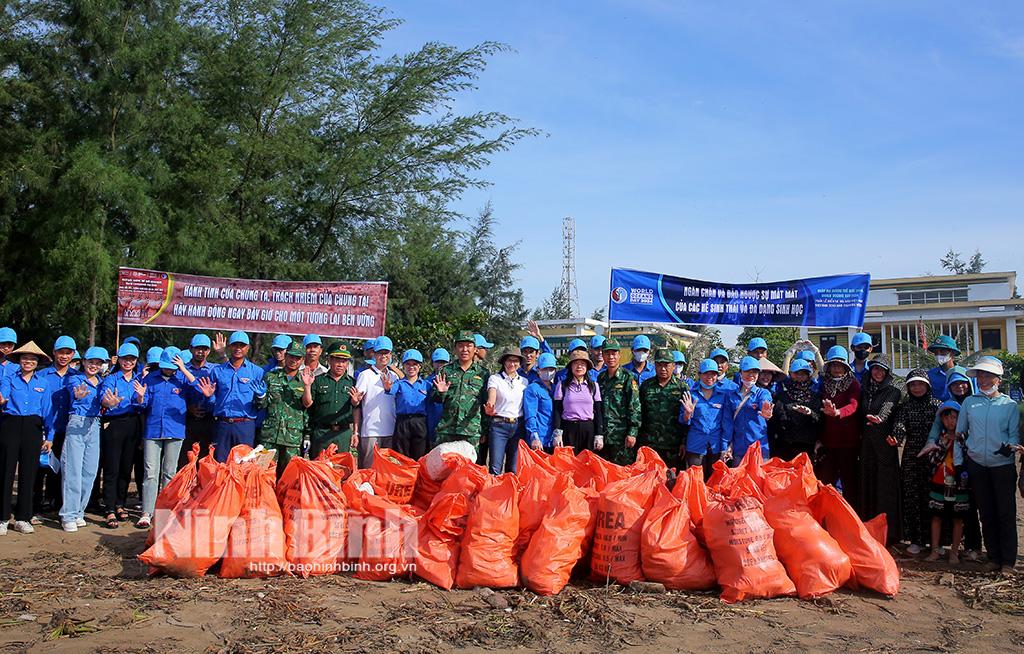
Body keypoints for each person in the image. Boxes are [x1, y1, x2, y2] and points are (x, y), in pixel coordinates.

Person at [955, 356, 1020, 574]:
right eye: (981, 375)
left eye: (988, 375)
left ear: (998, 379)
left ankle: (1008, 561)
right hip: (977, 465)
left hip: (1002, 466)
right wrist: (958, 461)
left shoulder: (1009, 406)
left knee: (1006, 513)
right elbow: (960, 434)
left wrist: (1010, 447)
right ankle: (992, 557)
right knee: (986, 513)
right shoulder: (969, 403)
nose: (983, 379)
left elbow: (1013, 435)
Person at [133, 350, 198, 529]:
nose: (168, 371)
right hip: (153, 431)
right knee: (150, 472)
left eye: (172, 368)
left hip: (175, 430)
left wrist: (183, 369)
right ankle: (147, 512)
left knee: (169, 472)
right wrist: (140, 396)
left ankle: (166, 511)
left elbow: (199, 388)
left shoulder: (182, 380)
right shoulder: (151, 379)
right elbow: (141, 403)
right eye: (166, 367)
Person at [926, 365, 983, 558]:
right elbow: (934, 433)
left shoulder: (976, 403)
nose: (960, 387)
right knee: (941, 512)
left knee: (968, 510)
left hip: (969, 466)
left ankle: (971, 547)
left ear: (969, 384)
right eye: (954, 384)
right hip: (943, 475)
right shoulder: (945, 406)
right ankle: (941, 547)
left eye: (963, 383)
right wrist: (932, 444)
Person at [0, 342, 52, 535]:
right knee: (6, 472)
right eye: (24, 358)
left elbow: (48, 411)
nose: (28, 361)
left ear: (37, 362)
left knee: (29, 474)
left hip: (33, 427)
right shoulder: (9, 378)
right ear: (19, 360)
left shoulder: (43, 383)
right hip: (10, 424)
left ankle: (23, 517)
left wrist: (50, 436)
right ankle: (2, 518)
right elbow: (3, 396)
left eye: (32, 359)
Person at [197, 331, 267, 463]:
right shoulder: (218, 371)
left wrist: (261, 396)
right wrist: (210, 397)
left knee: (244, 464)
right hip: (222, 424)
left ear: (248, 348)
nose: (238, 348)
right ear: (229, 347)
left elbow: (262, 405)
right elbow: (211, 404)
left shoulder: (257, 372)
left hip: (245, 425)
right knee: (221, 464)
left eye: (242, 345)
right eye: (235, 345)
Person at [59, 346, 108, 532]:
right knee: (73, 470)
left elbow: (106, 401)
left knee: (90, 472)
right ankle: (68, 514)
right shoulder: (75, 379)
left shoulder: (102, 382)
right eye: (91, 362)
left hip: (95, 424)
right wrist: (77, 396)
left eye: (98, 363)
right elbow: (74, 392)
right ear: (84, 362)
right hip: (76, 423)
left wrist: (110, 403)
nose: (94, 365)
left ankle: (79, 511)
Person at [858, 355, 903, 545]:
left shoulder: (893, 391)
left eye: (882, 370)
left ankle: (889, 535)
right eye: (875, 369)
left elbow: (888, 408)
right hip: (866, 446)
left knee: (886, 489)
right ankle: (867, 531)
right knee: (867, 486)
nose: (878, 373)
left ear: (887, 373)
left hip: (885, 446)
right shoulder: (865, 390)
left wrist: (880, 418)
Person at [97, 343, 143, 528]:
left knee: (126, 466)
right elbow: (104, 398)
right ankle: (109, 508)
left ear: (136, 361)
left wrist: (140, 398)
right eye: (125, 358)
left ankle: (120, 503)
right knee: (112, 466)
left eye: (132, 359)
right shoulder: (111, 379)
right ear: (119, 359)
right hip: (114, 424)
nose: (128, 362)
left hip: (133, 423)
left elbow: (143, 402)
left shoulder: (139, 379)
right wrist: (109, 402)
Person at [894, 368, 940, 553]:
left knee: (935, 498)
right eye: (913, 384)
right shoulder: (905, 407)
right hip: (912, 457)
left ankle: (936, 542)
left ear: (927, 385)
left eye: (920, 384)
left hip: (935, 458)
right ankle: (916, 539)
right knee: (913, 498)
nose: (917, 388)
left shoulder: (938, 406)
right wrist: (896, 437)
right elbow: (899, 425)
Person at [34, 335, 78, 515]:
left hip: (67, 430)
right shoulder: (42, 375)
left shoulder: (77, 377)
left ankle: (56, 503)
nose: (64, 356)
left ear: (73, 355)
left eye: (68, 353)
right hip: (44, 429)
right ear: (54, 352)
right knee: (39, 468)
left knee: (62, 469)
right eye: (61, 352)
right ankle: (35, 505)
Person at [921, 401, 969, 564]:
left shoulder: (966, 439)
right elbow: (932, 460)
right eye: (946, 417)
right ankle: (935, 550)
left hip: (959, 484)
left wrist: (959, 440)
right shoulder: (937, 439)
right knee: (936, 517)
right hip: (939, 481)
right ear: (941, 420)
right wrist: (943, 444)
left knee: (958, 519)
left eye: (954, 417)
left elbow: (970, 458)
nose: (950, 421)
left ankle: (954, 552)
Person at [257, 341, 311, 477]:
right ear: (285, 356)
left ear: (303, 360)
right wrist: (261, 396)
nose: (294, 361)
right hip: (270, 436)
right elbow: (261, 405)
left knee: (290, 476)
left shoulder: (305, 379)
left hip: (292, 438)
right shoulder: (271, 377)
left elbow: (307, 405)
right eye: (291, 356)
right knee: (264, 473)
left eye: (298, 358)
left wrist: (307, 386)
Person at [816, 346, 862, 505]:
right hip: (829, 442)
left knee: (849, 482)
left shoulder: (853, 384)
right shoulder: (824, 384)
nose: (836, 368)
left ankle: (851, 518)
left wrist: (838, 413)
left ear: (845, 366)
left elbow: (854, 405)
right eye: (833, 365)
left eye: (839, 365)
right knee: (826, 481)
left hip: (848, 442)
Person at [431, 330, 490, 449]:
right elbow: (435, 399)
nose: (464, 349)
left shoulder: (483, 373)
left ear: (475, 349)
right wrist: (441, 393)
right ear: (455, 349)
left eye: (468, 346)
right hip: (447, 430)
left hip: (471, 431)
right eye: (461, 346)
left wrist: (485, 429)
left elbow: (485, 403)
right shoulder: (445, 371)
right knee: (444, 466)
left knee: (470, 467)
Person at [305, 342, 359, 459]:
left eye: (344, 361)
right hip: (321, 432)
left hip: (343, 433)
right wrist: (307, 434)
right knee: (319, 469)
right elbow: (308, 407)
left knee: (341, 469)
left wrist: (355, 432)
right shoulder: (318, 380)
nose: (340, 364)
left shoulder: (353, 383)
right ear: (329, 360)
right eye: (337, 360)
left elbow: (356, 409)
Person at [679, 359, 731, 479]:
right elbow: (683, 421)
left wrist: (725, 447)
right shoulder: (690, 395)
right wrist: (688, 413)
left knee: (714, 482)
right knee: (695, 481)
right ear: (699, 374)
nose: (710, 377)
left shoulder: (723, 395)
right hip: (695, 445)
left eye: (713, 374)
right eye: (706, 373)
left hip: (715, 445)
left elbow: (726, 422)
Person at [353, 336, 399, 467]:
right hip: (371, 432)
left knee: (386, 471)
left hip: (391, 430)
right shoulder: (365, 375)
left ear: (390, 355)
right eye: (380, 353)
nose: (383, 356)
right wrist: (355, 401)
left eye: (386, 353)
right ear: (374, 354)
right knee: (368, 470)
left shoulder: (394, 376)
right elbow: (356, 402)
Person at [637, 349, 688, 468]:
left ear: (673, 366)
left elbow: (686, 417)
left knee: (672, 481)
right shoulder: (646, 386)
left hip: (673, 446)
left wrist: (684, 442)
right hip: (650, 444)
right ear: (655, 365)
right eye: (659, 365)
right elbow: (639, 413)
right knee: (650, 480)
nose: (663, 369)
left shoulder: (682, 387)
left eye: (667, 365)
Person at [597, 338, 641, 465]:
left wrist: (632, 433)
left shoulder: (628, 377)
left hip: (622, 437)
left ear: (619, 355)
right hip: (603, 437)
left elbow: (635, 407)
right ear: (603, 355)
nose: (611, 357)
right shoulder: (601, 378)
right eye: (607, 353)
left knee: (622, 474)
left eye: (614, 353)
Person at [484, 347, 528, 474]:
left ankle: (510, 493)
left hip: (518, 426)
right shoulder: (495, 378)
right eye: (509, 360)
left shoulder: (524, 381)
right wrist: (490, 406)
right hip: (499, 425)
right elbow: (491, 395)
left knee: (513, 468)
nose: (512, 364)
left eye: (515, 361)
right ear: (504, 362)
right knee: (495, 467)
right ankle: (493, 493)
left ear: (520, 364)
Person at [551, 350, 603, 455]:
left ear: (587, 367)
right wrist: (557, 433)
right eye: (576, 363)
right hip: (568, 429)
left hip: (588, 429)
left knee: (587, 464)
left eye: (582, 364)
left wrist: (599, 435)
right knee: (569, 464)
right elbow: (557, 410)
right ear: (570, 366)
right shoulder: (562, 385)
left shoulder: (594, 386)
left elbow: (598, 412)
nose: (579, 366)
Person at [769, 359, 821, 461]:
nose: (800, 377)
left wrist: (810, 413)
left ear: (809, 376)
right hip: (784, 445)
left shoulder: (815, 396)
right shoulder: (782, 396)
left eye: (803, 374)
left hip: (807, 446)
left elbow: (820, 419)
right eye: (796, 374)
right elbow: (776, 420)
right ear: (791, 375)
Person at [726, 356, 774, 464]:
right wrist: (727, 445)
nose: (751, 375)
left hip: (759, 449)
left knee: (759, 479)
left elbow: (765, 402)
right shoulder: (731, 396)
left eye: (755, 372)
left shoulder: (762, 393)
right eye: (747, 371)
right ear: (740, 373)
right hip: (739, 448)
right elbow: (727, 422)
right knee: (739, 480)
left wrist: (766, 411)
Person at [179, 334, 215, 468]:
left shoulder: (214, 369)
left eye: (204, 349)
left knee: (206, 459)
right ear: (190, 349)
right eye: (197, 348)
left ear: (209, 351)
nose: (201, 352)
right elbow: (176, 394)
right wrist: (188, 408)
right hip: (188, 419)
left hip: (209, 418)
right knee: (185, 459)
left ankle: (203, 488)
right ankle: (186, 488)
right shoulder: (183, 370)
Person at [389, 349, 431, 460]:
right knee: (401, 454)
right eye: (408, 364)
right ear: (403, 366)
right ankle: (403, 477)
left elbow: (436, 398)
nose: (411, 367)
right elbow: (390, 390)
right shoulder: (399, 384)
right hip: (402, 422)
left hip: (419, 422)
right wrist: (387, 387)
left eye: (415, 364)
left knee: (420, 454)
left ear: (420, 366)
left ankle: (418, 477)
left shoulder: (426, 385)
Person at [523, 353, 558, 452]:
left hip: (553, 440)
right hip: (539, 441)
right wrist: (534, 436)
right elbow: (530, 414)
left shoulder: (556, 389)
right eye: (544, 369)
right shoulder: (532, 388)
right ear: (538, 370)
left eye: (551, 369)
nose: (548, 372)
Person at [425, 348, 449, 445]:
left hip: (447, 425)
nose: (440, 365)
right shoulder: (427, 381)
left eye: (443, 362)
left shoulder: (452, 380)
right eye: (437, 362)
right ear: (433, 363)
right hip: (431, 422)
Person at [926, 335, 960, 402]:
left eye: (942, 351)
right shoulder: (929, 375)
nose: (939, 354)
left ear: (952, 353)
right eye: (936, 352)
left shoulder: (965, 374)